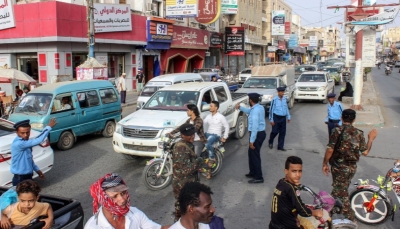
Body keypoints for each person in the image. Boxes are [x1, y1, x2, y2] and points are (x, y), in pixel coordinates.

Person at [322, 109, 378, 221]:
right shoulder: (359, 133)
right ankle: (330, 211)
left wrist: (324, 163)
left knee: (341, 192)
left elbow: (330, 150)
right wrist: (370, 139)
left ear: (342, 118)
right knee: (339, 189)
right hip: (352, 168)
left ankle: (350, 218)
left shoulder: (336, 131)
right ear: (354, 119)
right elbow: (365, 152)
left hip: (339, 167)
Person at [85, 173, 169, 229]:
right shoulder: (93, 226)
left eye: (123, 193)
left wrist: (181, 224)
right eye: (115, 196)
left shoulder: (134, 212)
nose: (122, 199)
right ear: (103, 200)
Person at [269, 156, 323, 229]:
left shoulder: (281, 182)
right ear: (286, 171)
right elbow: (302, 211)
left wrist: (295, 186)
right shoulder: (291, 188)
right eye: (294, 171)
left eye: (300, 171)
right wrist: (315, 212)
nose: (297, 175)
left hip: (274, 225)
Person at [172, 124, 207, 221]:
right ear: (182, 135)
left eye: (193, 134)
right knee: (182, 209)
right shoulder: (181, 148)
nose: (192, 136)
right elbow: (185, 170)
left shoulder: (187, 144)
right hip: (182, 184)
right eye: (189, 135)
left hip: (188, 183)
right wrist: (199, 161)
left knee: (189, 207)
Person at [10, 118, 57, 186]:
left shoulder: (25, 142)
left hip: (28, 177)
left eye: (27, 132)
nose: (25, 135)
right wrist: (48, 127)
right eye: (22, 133)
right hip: (20, 179)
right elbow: (38, 140)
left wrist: (38, 171)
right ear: (17, 132)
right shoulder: (19, 143)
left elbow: (29, 160)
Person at [236, 93, 266, 184]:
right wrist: (240, 107)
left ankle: (259, 177)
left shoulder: (256, 110)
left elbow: (255, 127)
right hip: (259, 133)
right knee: (251, 154)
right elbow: (249, 111)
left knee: (255, 156)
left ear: (251, 101)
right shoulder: (258, 108)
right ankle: (253, 172)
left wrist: (252, 141)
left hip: (257, 134)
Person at [203, 101, 229, 179]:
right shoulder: (208, 116)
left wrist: (225, 137)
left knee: (208, 143)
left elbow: (226, 126)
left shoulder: (221, 117)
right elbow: (203, 123)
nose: (210, 107)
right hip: (208, 133)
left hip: (216, 135)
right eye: (210, 106)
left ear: (216, 108)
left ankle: (212, 157)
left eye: (211, 106)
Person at [268, 87, 291, 151]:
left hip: (283, 118)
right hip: (276, 117)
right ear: (278, 92)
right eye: (281, 92)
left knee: (282, 133)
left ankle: (280, 146)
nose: (282, 93)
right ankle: (270, 141)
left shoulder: (285, 99)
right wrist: (271, 119)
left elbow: (286, 108)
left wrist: (288, 116)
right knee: (274, 131)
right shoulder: (274, 100)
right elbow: (271, 110)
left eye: (283, 92)